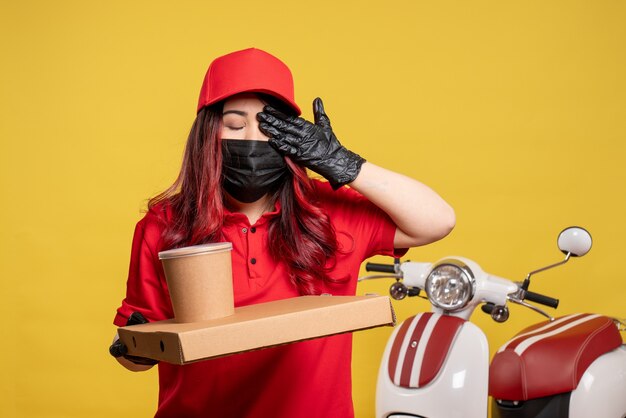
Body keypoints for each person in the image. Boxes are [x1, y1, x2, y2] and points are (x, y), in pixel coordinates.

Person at [111, 47, 455, 418]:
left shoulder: (330, 214)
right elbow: (137, 356)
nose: (254, 139)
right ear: (207, 134)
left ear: (295, 138)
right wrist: (132, 345)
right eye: (236, 125)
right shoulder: (164, 225)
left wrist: (342, 163)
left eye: (270, 126)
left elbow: (438, 220)